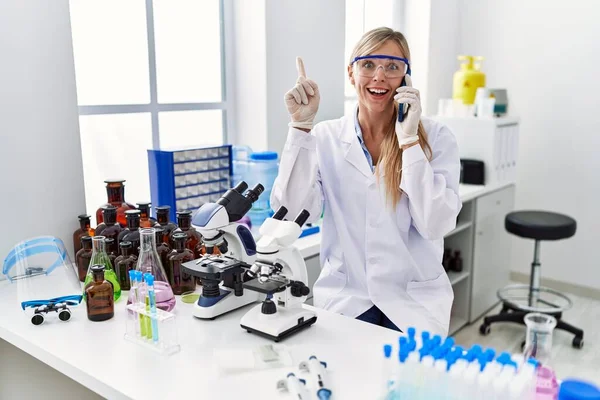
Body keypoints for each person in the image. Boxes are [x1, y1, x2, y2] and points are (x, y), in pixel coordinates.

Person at [271, 27, 462, 336]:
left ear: (406, 78)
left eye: (392, 67)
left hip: (413, 302)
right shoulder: (325, 137)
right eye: (369, 65)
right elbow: (290, 213)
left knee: (405, 383)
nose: (379, 77)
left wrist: (410, 142)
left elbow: (436, 224)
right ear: (351, 72)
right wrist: (300, 126)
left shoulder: (436, 138)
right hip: (348, 299)